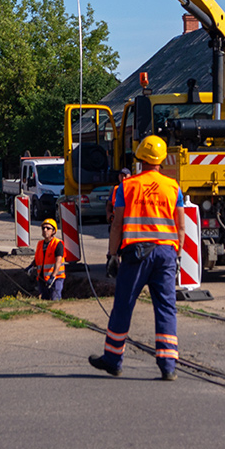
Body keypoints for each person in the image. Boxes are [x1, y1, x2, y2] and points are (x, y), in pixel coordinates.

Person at [89, 135, 184, 381]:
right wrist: (179, 254)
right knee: (166, 307)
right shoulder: (173, 188)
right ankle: (168, 365)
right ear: (161, 160)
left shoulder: (127, 187)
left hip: (137, 254)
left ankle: (113, 359)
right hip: (165, 254)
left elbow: (117, 225)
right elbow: (180, 226)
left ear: (139, 159)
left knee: (124, 303)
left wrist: (112, 255)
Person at [32, 218, 65, 301]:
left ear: (53, 231)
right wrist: (31, 266)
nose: (45, 230)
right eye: (43, 228)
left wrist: (53, 277)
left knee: (55, 300)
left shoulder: (58, 243)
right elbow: (38, 259)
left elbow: (58, 262)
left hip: (56, 278)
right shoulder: (40, 244)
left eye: (48, 228)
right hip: (42, 278)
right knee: (45, 301)